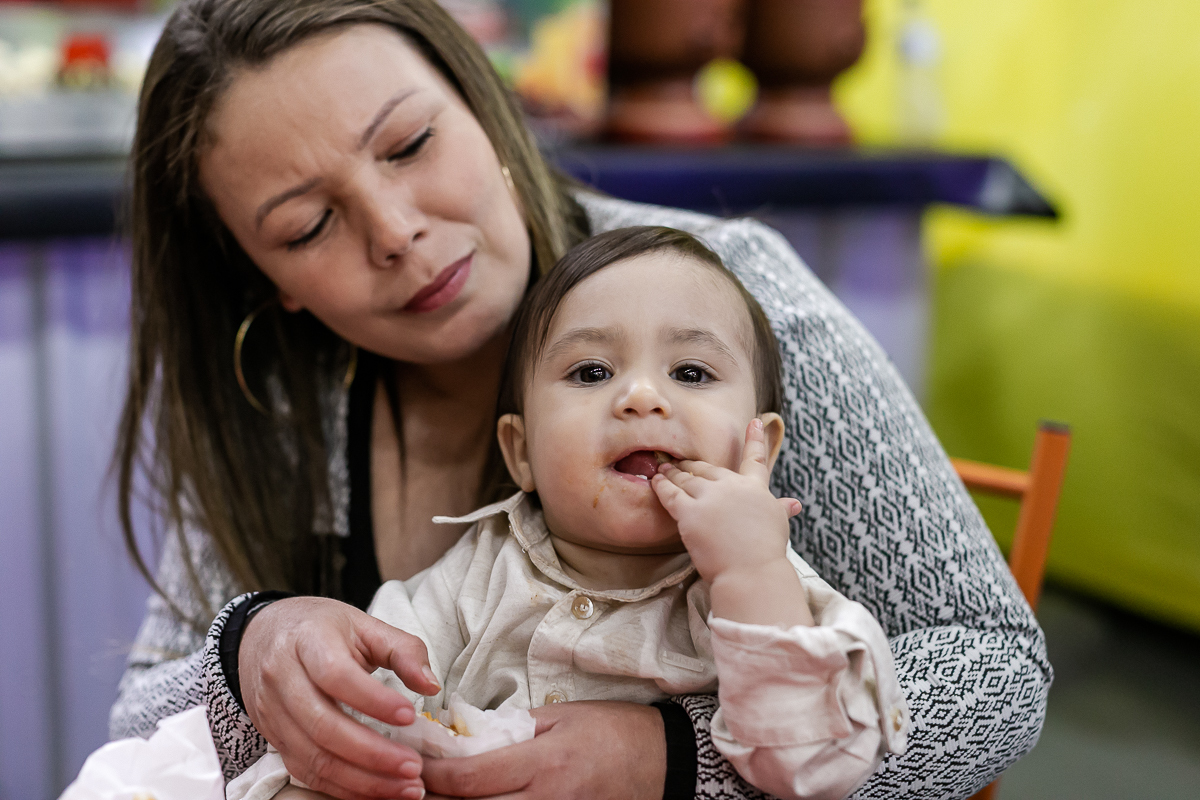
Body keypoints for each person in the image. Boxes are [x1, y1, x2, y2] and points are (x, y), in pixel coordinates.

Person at [109, 1, 1051, 799]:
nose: (396, 232)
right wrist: (250, 643)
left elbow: (997, 673)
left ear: (482, 105)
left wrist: (674, 760)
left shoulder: (725, 305)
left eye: (412, 143)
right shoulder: (285, 387)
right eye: (308, 226)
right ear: (267, 277)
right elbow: (143, 720)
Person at [235, 226, 909, 800]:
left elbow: (812, 765)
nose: (642, 397)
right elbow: (375, 704)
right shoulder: (478, 575)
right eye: (591, 372)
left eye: (693, 373)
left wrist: (752, 569)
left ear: (759, 445)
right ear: (521, 452)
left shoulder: (777, 589)